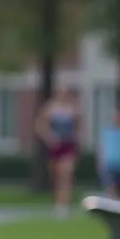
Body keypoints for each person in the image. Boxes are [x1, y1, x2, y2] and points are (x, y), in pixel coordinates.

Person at [35, 89, 81, 218]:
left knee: (66, 173)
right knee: (55, 175)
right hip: (55, 145)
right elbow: (39, 125)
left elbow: (78, 127)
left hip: (68, 144)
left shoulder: (73, 108)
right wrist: (49, 137)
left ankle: (64, 204)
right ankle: (57, 202)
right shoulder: (50, 108)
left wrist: (77, 141)